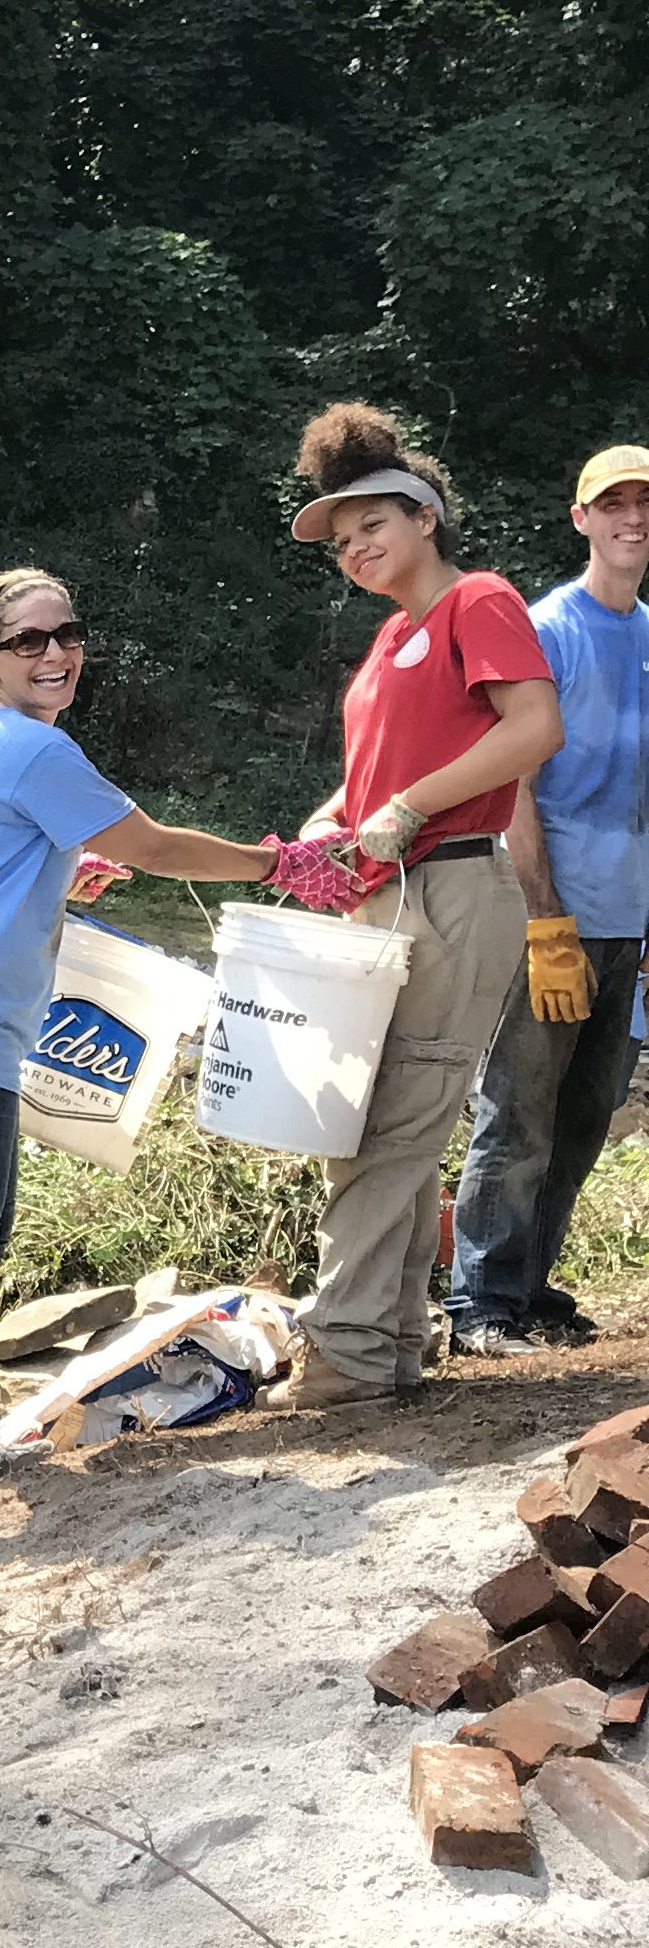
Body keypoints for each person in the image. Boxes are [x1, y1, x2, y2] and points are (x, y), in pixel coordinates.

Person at [0, 571, 287, 1535]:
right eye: (28, 642)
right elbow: (160, 847)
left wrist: (52, 871)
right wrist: (273, 862)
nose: (55, 655)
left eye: (67, 635)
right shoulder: (31, 750)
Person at [277, 404, 564, 1410]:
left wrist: (408, 806)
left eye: (372, 527)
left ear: (424, 517)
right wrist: (330, 824)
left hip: (448, 886)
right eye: (341, 539)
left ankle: (345, 1355)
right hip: (386, 891)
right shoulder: (391, 638)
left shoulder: (476, 602)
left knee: (387, 1128)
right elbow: (371, 781)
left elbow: (534, 729)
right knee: (372, 1125)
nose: (355, 548)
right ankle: (389, 1345)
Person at [442, 447, 649, 1354]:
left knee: (585, 1118)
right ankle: (478, 1300)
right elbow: (513, 783)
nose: (632, 520)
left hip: (629, 921)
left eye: (645, 505)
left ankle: (529, 1289)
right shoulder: (546, 629)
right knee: (517, 1109)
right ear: (582, 520)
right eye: (614, 505)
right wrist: (543, 916)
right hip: (552, 912)